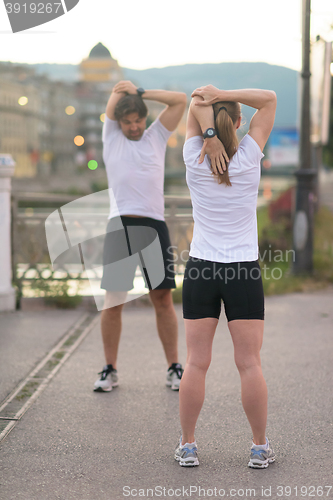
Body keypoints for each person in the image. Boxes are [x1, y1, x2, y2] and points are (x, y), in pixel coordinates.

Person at [174, 84, 277, 468]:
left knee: (196, 362)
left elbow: (194, 103)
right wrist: (225, 93)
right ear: (238, 121)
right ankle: (259, 447)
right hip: (243, 270)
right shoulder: (250, 155)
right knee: (249, 363)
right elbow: (269, 99)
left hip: (201, 267)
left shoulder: (193, 155)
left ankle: (187, 446)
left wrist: (209, 136)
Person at [94, 80, 187, 393]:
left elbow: (178, 100)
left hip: (153, 227)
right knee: (113, 301)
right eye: (128, 122)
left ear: (145, 118)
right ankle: (110, 369)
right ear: (119, 123)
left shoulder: (157, 136)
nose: (133, 127)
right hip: (119, 226)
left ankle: (174, 367)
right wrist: (121, 92)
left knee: (162, 299)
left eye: (137, 121)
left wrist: (141, 93)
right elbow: (112, 103)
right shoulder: (111, 137)